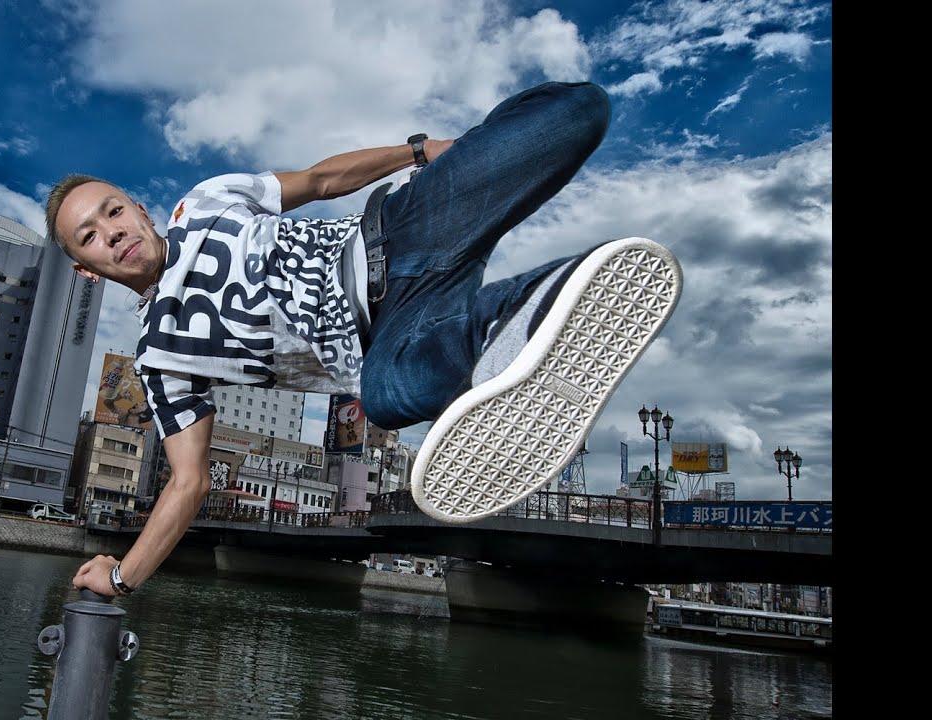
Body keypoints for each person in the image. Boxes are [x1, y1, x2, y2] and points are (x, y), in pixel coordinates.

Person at [47, 81, 682, 598]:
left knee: (578, 110)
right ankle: (531, 307)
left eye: (113, 210)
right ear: (86, 269)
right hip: (391, 339)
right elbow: (188, 483)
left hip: (400, 232)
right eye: (90, 237)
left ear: (139, 210)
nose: (112, 232)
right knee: (389, 396)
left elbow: (321, 180)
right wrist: (122, 576)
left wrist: (422, 151)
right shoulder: (160, 360)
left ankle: (512, 301)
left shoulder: (205, 201)